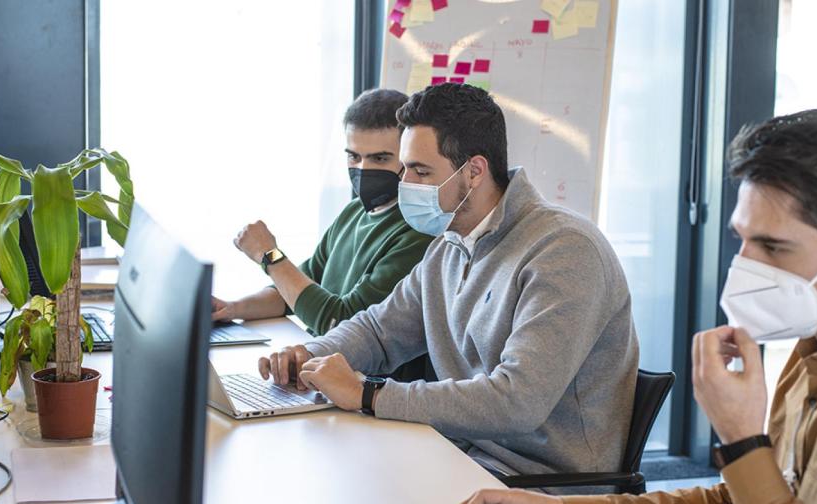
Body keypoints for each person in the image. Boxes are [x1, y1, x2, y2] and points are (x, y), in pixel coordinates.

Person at [449, 110, 817, 504]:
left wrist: (744, 443)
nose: (744, 266)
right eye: (742, 241)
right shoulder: (814, 354)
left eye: (773, 247)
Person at [260, 83, 639, 476]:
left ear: (474, 172)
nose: (405, 184)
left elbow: (517, 401)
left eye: (421, 171)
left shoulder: (564, 250)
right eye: (405, 168)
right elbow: (379, 331)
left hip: (536, 483)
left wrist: (367, 394)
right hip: (459, 452)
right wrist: (310, 355)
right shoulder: (450, 245)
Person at [212, 88, 432, 336]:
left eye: (379, 159)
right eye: (354, 157)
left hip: (348, 360)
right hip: (316, 354)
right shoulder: (353, 212)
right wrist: (231, 309)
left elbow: (341, 322)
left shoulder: (419, 232)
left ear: (408, 157)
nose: (362, 169)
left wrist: (269, 256)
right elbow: (293, 291)